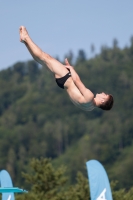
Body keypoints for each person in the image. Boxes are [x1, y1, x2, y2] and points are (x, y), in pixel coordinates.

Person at [19, 26, 114, 111]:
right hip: (63, 84)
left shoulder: (90, 97)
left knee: (45, 57)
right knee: (42, 61)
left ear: (102, 100)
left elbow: (77, 80)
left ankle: (26, 37)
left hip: (67, 78)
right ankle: (25, 41)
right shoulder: (89, 108)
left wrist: (71, 69)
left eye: (105, 95)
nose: (102, 92)